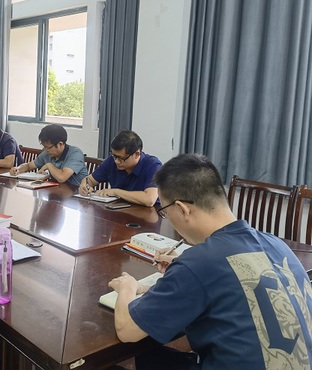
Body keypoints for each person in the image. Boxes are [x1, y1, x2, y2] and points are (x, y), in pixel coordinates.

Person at [108, 154, 312, 370]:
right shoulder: (277, 245)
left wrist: (127, 287)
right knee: (152, 357)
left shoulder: (197, 263)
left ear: (183, 209)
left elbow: (127, 330)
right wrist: (184, 269)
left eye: (165, 212)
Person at [79, 130, 161, 206]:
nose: (116, 161)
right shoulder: (111, 161)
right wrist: (85, 186)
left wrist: (116, 192)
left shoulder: (153, 165)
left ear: (136, 154)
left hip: (147, 213)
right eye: (114, 156)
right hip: (118, 210)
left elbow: (149, 199)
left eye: (121, 158)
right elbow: (89, 180)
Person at [10, 124, 88, 186]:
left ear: (60, 144)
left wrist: (48, 165)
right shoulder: (48, 153)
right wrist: (18, 169)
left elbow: (62, 177)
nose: (45, 150)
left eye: (48, 147)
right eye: (44, 146)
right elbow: (29, 166)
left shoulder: (75, 154)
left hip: (76, 195)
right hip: (56, 192)